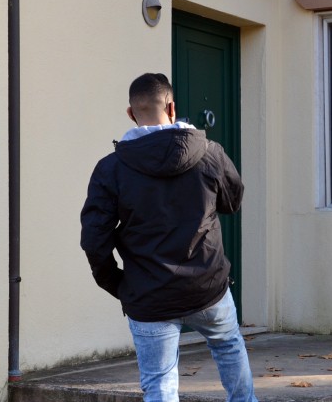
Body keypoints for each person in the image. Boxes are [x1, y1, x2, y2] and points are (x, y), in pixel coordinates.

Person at [80, 73, 258, 402]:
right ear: (172, 108)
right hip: (208, 288)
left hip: (149, 295)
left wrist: (118, 285)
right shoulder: (210, 153)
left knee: (160, 383)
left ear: (132, 113)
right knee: (229, 349)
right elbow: (232, 202)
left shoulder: (111, 169)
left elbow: (94, 240)